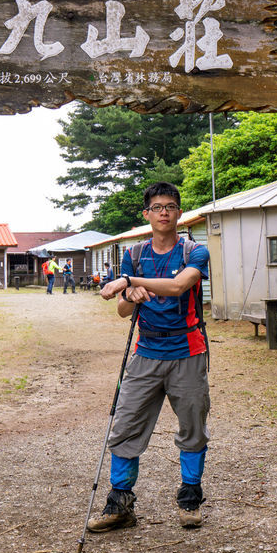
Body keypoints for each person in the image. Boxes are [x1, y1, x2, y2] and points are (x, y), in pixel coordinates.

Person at [90, 182, 210, 533]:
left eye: (170, 206)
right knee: (126, 425)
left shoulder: (193, 252)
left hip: (187, 351)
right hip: (146, 353)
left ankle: (190, 498)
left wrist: (128, 279)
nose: (163, 212)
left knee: (192, 427)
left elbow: (177, 287)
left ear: (179, 213)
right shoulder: (136, 253)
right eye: (157, 207)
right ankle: (120, 505)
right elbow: (123, 311)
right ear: (147, 214)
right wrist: (132, 294)